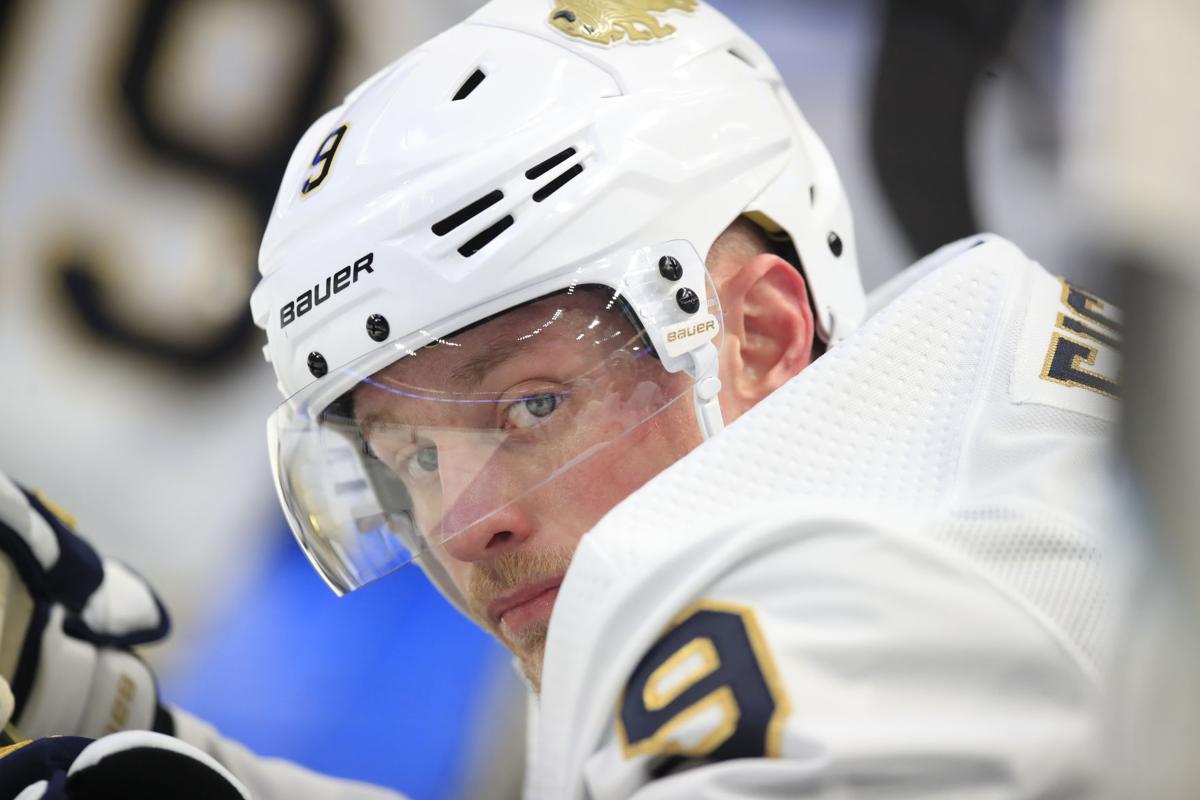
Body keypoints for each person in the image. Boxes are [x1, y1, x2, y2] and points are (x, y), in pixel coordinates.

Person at [0, 1, 1122, 797]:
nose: (460, 522)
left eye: (530, 406)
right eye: (413, 455)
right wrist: (129, 723)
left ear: (761, 331)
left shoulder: (804, 618)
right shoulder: (944, 403)